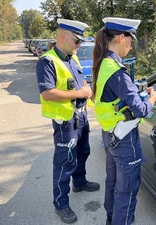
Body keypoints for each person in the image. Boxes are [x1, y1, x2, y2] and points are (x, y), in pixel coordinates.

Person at [91, 17, 156, 225]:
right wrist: (153, 98)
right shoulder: (117, 71)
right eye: (131, 40)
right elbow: (140, 110)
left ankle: (111, 220)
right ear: (122, 38)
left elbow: (114, 95)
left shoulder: (104, 63)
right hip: (124, 140)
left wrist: (140, 91)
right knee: (127, 190)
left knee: (113, 182)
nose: (131, 46)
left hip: (110, 134)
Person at [36, 18, 100, 224]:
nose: (79, 45)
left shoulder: (72, 58)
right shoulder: (47, 61)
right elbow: (47, 93)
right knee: (64, 163)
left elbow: (81, 84)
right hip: (66, 122)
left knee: (83, 152)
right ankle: (60, 203)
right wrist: (78, 92)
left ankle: (79, 182)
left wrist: (87, 91)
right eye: (76, 41)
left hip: (81, 116)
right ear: (63, 36)